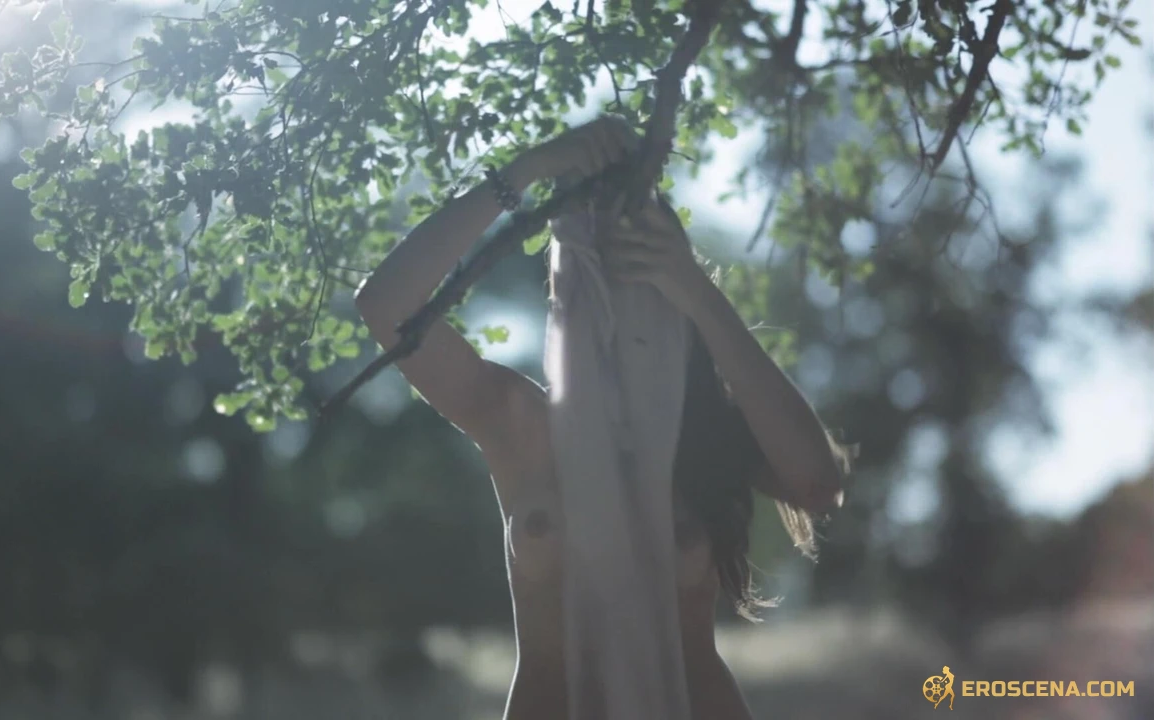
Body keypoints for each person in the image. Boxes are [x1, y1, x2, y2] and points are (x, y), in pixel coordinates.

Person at [354, 116, 852, 720]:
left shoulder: (707, 431)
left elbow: (818, 483)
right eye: (584, 275)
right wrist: (528, 170)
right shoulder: (520, 422)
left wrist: (696, 288)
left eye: (635, 274)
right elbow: (385, 306)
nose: (610, 306)